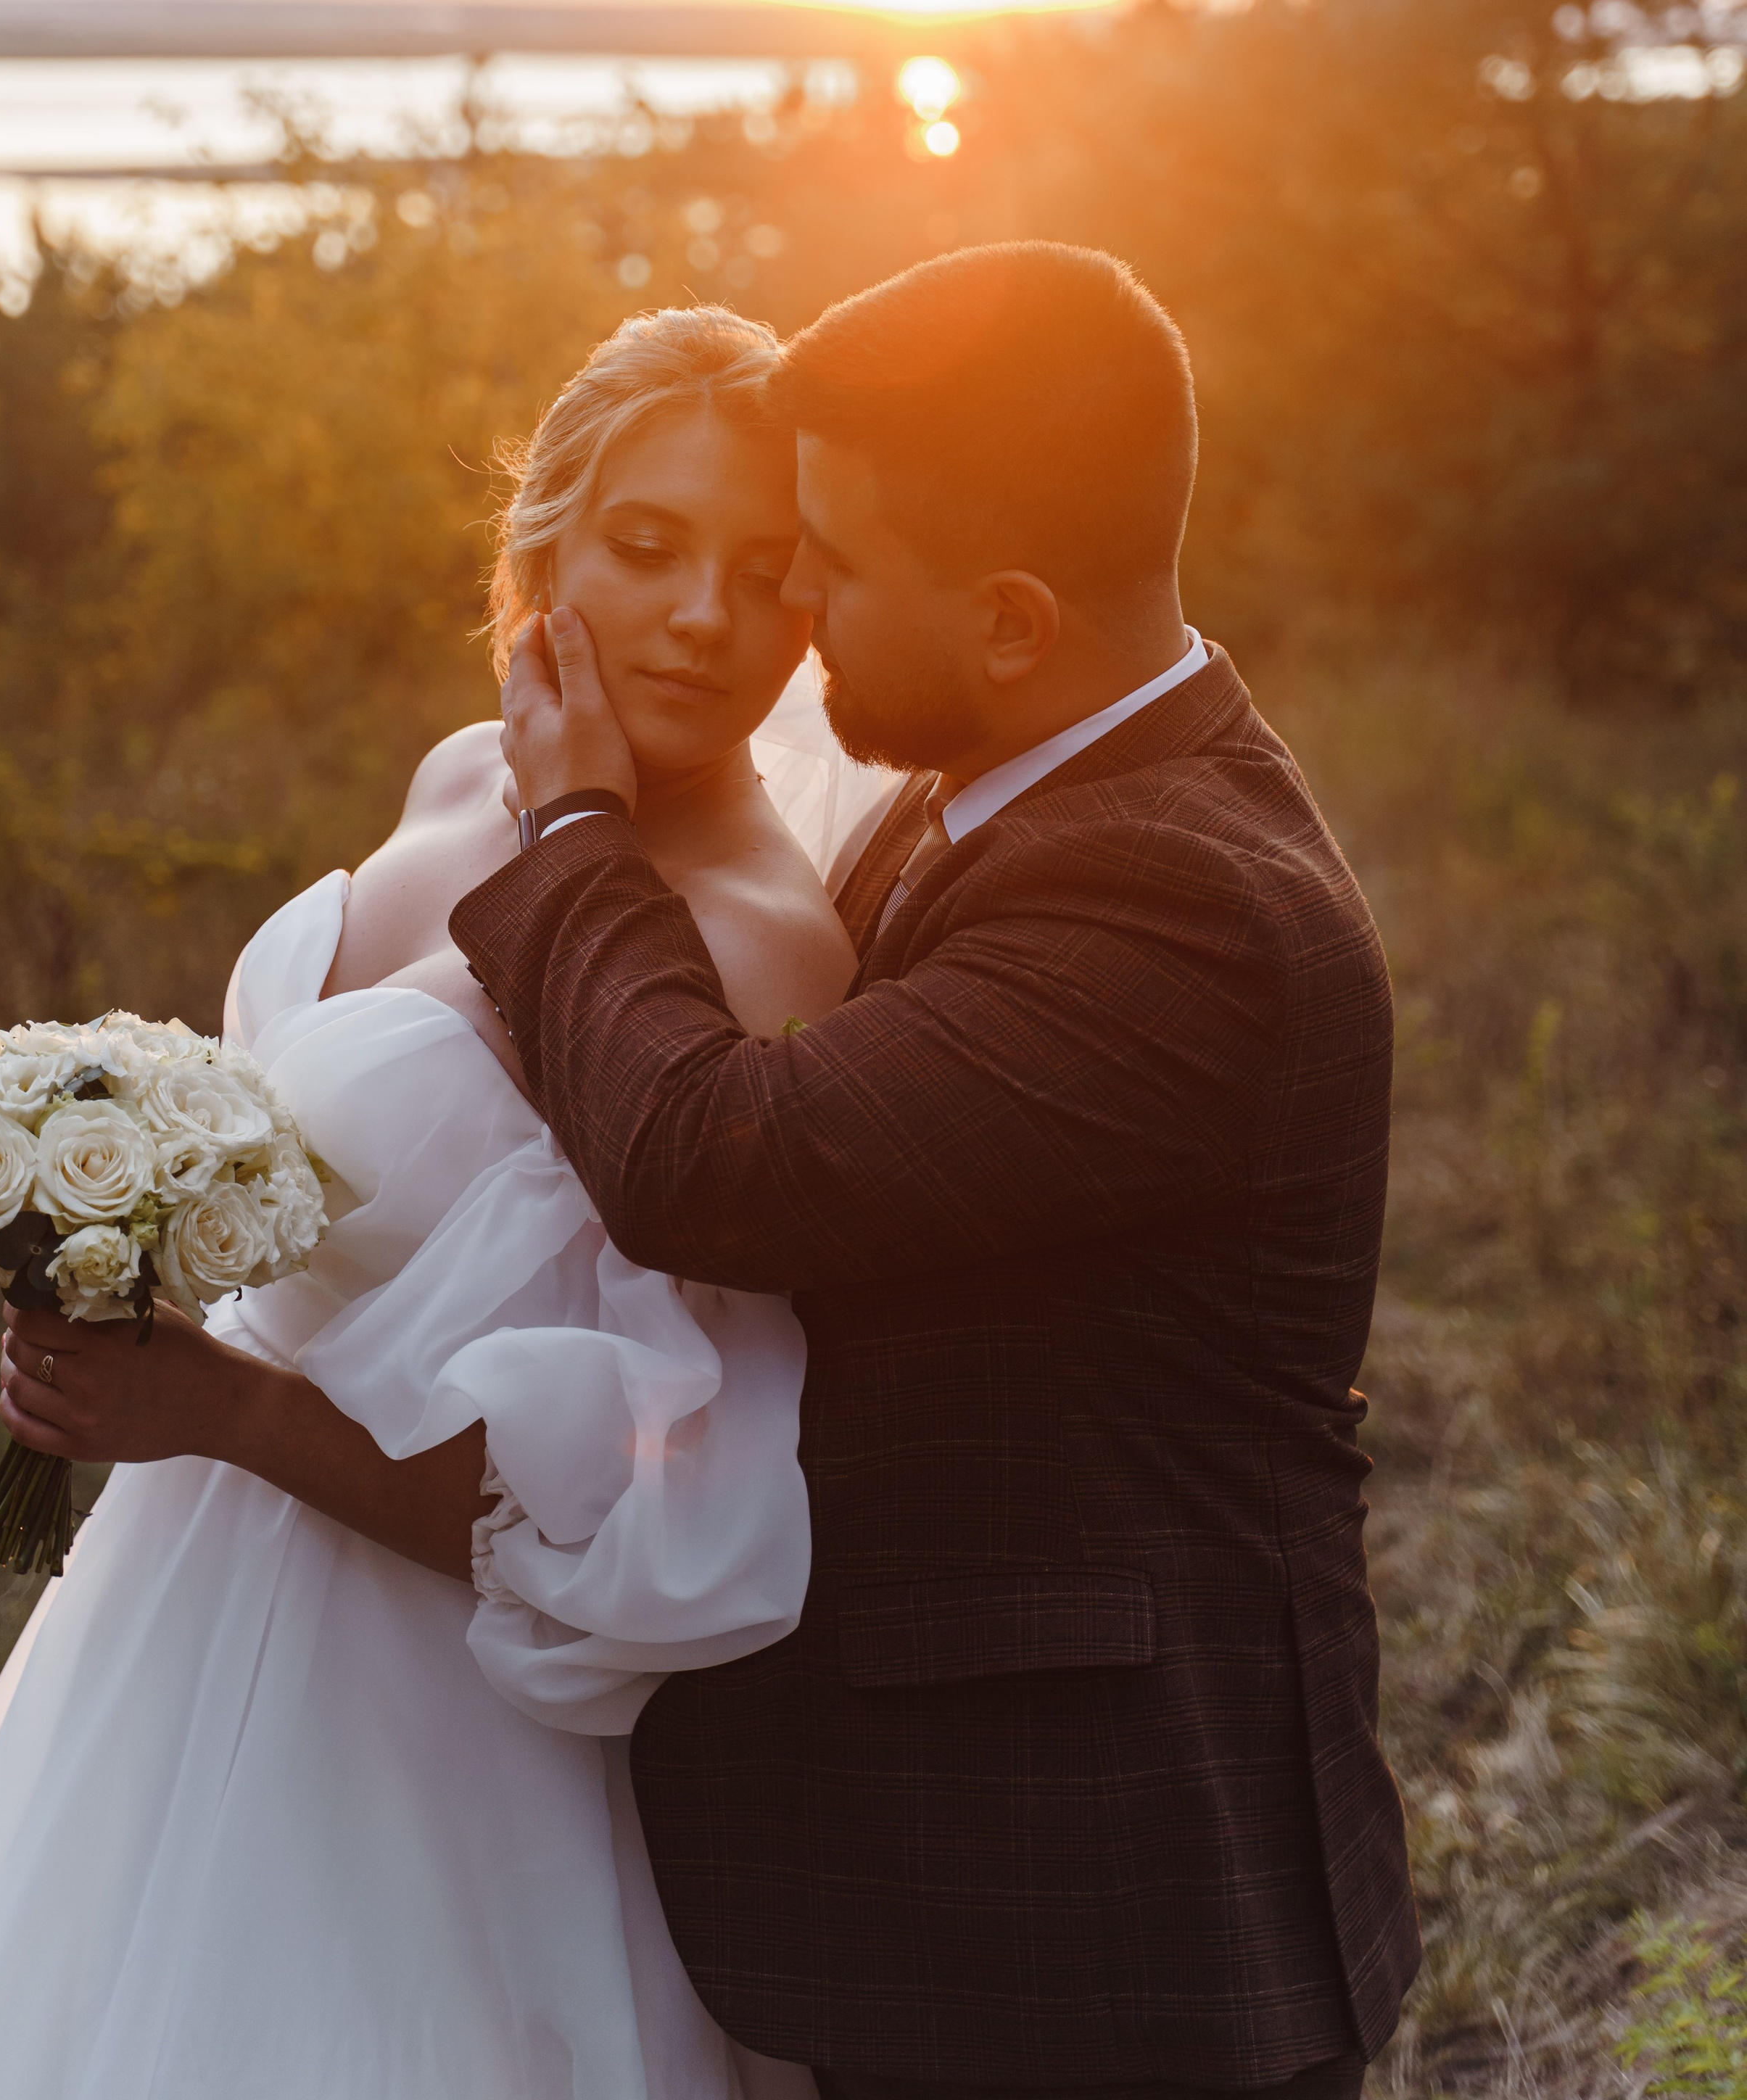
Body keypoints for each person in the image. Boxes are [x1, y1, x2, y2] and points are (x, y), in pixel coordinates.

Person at [461, 240, 1423, 2099]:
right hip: (970, 1895)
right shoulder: (991, 779)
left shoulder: (1177, 899)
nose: (791, 611)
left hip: (1109, 1926)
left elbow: (708, 1159)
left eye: (825, 562)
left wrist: (573, 830)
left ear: (1005, 622)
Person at [0, 305, 869, 2100]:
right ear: (539, 550)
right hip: (182, 1622)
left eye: (770, 575)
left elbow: (650, 1519)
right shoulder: (452, 775)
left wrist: (226, 1408)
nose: (708, 620)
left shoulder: (749, 935)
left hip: (453, 1743)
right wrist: (110, 1236)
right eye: (648, 551)